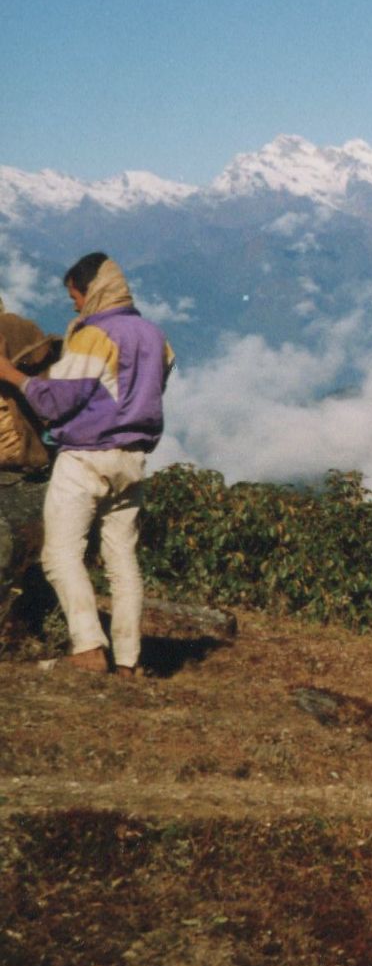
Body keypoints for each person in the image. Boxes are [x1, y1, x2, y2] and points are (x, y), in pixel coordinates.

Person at [0, 252, 173, 677]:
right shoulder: (156, 337)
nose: (74, 304)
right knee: (122, 561)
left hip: (87, 458)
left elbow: (56, 401)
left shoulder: (95, 336)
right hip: (133, 460)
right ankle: (129, 661)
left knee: (59, 555)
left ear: (90, 290)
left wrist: (11, 374)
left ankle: (88, 648)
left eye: (74, 294)